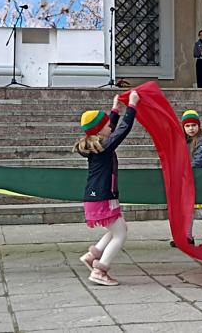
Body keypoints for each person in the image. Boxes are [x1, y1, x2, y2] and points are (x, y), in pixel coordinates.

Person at [74, 91, 139, 286]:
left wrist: (115, 109)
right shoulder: (104, 147)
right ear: (99, 131)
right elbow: (121, 131)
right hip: (102, 197)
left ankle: (92, 256)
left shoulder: (98, 144)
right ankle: (99, 271)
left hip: (98, 197)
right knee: (120, 234)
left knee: (118, 228)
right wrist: (132, 107)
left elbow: (109, 128)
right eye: (107, 125)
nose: (111, 126)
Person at [170, 110, 202, 246]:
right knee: (188, 209)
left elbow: (198, 161)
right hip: (190, 178)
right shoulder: (185, 140)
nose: (191, 128)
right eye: (187, 126)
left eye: (194, 125)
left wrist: (183, 171)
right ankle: (188, 236)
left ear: (198, 126)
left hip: (200, 178)